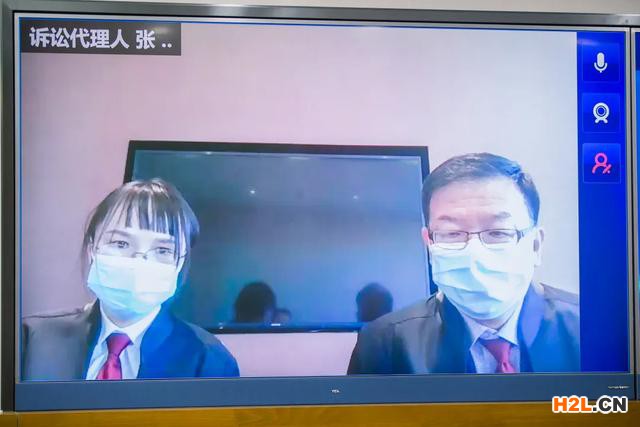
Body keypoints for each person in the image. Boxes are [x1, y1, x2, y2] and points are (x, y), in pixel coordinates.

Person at [348, 153, 579, 375]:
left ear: (536, 245)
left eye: (498, 232)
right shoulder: (384, 345)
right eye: (452, 233)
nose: (475, 253)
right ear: (429, 243)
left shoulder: (589, 329)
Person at [22, 179, 239, 381]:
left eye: (162, 250)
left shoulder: (209, 361)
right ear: (92, 249)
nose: (138, 262)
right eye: (121, 244)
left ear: (179, 263)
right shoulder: (31, 340)